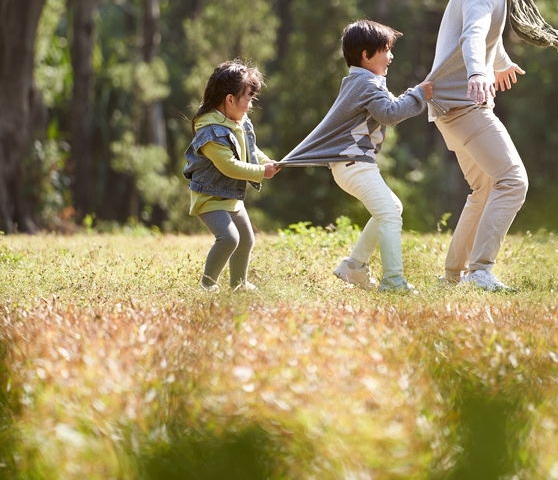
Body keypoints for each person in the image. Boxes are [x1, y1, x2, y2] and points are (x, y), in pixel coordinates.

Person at [428, 0, 558, 292]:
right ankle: (480, 270)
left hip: (448, 105)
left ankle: (454, 275)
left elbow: (486, 32)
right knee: (513, 181)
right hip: (463, 105)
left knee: (485, 188)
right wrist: (478, 71)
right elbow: (472, 33)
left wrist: (500, 60)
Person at [279, 20, 433, 294]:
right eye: (386, 49)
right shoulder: (366, 83)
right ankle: (394, 281)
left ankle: (354, 267)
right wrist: (418, 95)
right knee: (390, 216)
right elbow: (390, 113)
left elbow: (387, 106)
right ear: (366, 54)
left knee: (391, 209)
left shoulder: (361, 82)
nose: (391, 56)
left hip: (352, 166)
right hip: (355, 165)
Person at [183, 60, 280, 292]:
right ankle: (207, 286)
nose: (250, 104)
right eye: (248, 97)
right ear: (230, 99)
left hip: (231, 195)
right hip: (210, 197)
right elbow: (229, 166)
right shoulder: (210, 131)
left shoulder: (239, 121)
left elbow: (250, 148)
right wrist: (261, 172)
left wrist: (265, 161)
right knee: (229, 239)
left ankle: (239, 284)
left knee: (246, 240)